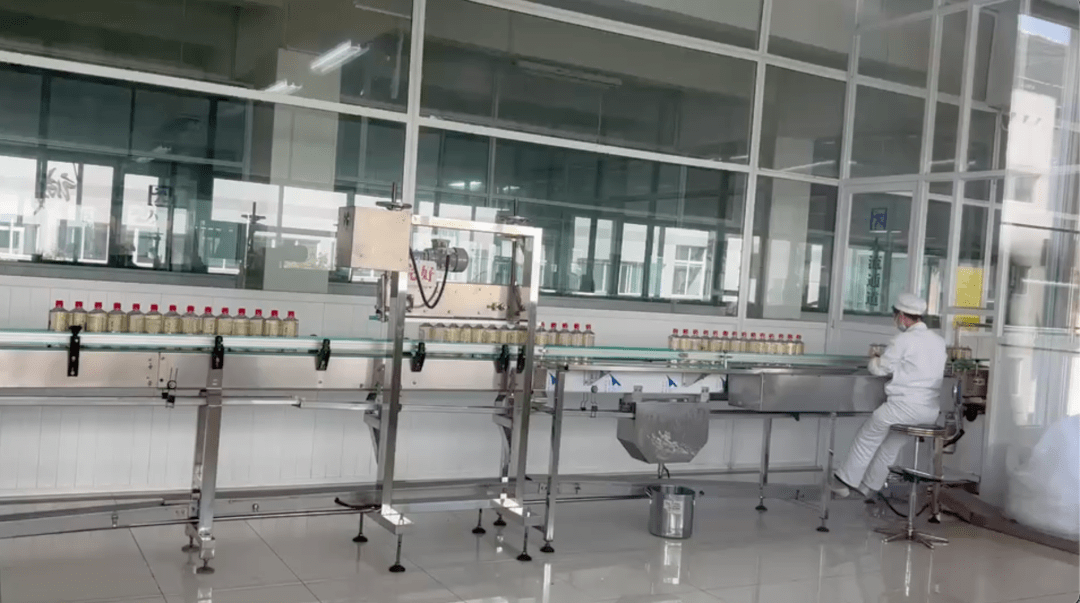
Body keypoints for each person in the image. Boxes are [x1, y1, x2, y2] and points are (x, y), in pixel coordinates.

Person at [830, 293, 947, 499]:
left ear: (901, 316)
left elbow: (879, 369)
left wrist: (874, 359)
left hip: (903, 407)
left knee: (868, 435)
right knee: (891, 446)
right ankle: (868, 487)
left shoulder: (903, 340)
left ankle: (844, 481)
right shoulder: (938, 341)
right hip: (929, 411)